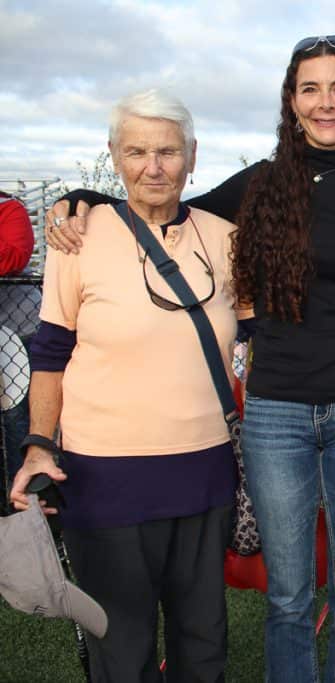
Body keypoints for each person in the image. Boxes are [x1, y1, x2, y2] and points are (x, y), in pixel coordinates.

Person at [46, 36, 335, 682]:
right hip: (275, 412)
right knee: (287, 596)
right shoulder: (260, 184)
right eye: (310, 87)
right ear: (292, 100)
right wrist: (84, 196)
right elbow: (164, 204)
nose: (326, 102)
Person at [9, 89, 238, 682]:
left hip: (206, 472)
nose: (153, 166)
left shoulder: (226, 238)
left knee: (203, 639)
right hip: (105, 476)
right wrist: (39, 441)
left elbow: (274, 334)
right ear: (114, 155)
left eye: (167, 151)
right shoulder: (77, 236)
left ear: (192, 155)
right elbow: (51, 352)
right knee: (121, 644)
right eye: (137, 151)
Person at [0, 191, 35, 507]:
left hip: (16, 332)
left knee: (15, 419)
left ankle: (22, 499)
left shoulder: (9, 208)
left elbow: (14, 255)